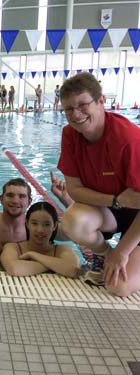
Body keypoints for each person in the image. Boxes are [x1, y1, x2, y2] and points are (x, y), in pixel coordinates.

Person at [57, 72, 140, 297]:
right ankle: (104, 255)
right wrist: (116, 200)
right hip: (113, 210)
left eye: (83, 105)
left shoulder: (128, 140)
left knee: (118, 287)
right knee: (73, 222)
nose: (76, 114)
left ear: (101, 101)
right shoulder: (70, 135)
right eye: (68, 109)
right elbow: (74, 190)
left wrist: (123, 252)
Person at [1, 202, 80, 277]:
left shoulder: (62, 249)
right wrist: (57, 266)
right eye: (34, 223)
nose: (40, 230)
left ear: (55, 226)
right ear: (27, 223)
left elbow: (73, 270)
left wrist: (33, 255)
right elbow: (15, 269)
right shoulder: (13, 247)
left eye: (47, 224)